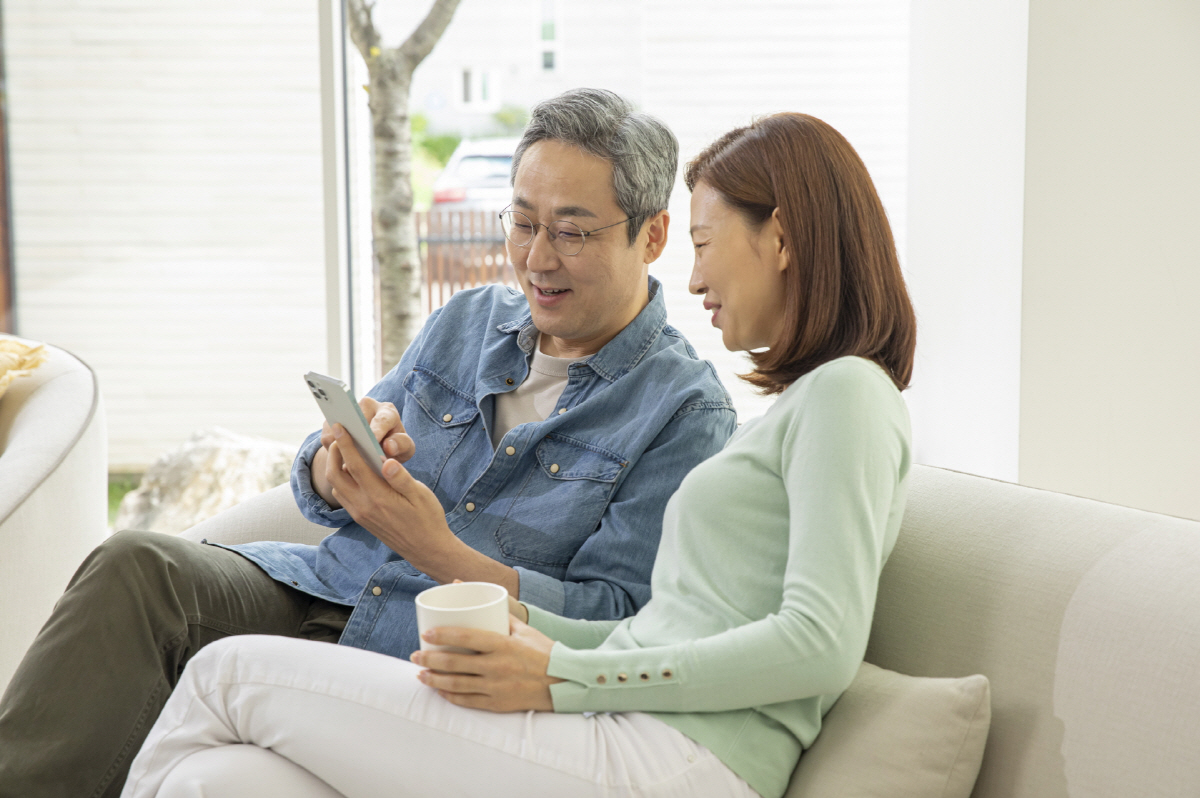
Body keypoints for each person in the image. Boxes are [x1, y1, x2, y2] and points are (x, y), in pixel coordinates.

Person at [118, 111, 918, 798]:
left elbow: (820, 645)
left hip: (677, 758)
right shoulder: (805, 407)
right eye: (526, 222)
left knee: (224, 675)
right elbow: (666, 632)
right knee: (218, 783)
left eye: (705, 243)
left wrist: (565, 677)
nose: (698, 277)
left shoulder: (848, 392)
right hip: (624, 723)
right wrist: (530, 636)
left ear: (778, 235)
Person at [0, 89, 737, 798]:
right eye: (522, 222)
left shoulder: (684, 411)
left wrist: (435, 549)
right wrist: (335, 466)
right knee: (136, 564)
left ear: (653, 235)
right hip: (322, 588)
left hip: (425, 665)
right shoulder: (470, 319)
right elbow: (319, 476)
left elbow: (611, 617)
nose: (537, 257)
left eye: (572, 231)